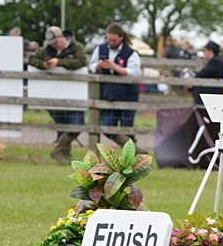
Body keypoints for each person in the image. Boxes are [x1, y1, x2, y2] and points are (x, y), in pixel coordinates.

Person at [28, 26, 88, 163]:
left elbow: (82, 61)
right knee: (62, 128)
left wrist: (59, 62)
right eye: (51, 43)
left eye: (55, 42)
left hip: (75, 95)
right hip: (54, 95)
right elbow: (32, 59)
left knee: (77, 125)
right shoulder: (46, 50)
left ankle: (57, 150)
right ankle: (65, 158)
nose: (54, 45)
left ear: (62, 36)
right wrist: (44, 64)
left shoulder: (76, 47)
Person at [88, 22, 141, 150]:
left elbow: (133, 73)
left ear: (121, 37)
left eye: (114, 40)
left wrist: (114, 66)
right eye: (109, 39)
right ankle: (136, 150)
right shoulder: (100, 49)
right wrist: (98, 66)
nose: (111, 42)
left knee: (126, 128)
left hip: (127, 96)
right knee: (106, 126)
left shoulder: (131, 53)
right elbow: (91, 67)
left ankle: (130, 158)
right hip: (107, 96)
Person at [189, 40, 223, 105]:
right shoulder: (215, 60)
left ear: (210, 51)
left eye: (205, 50)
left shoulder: (215, 61)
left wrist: (192, 74)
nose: (204, 53)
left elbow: (203, 73)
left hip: (211, 93)